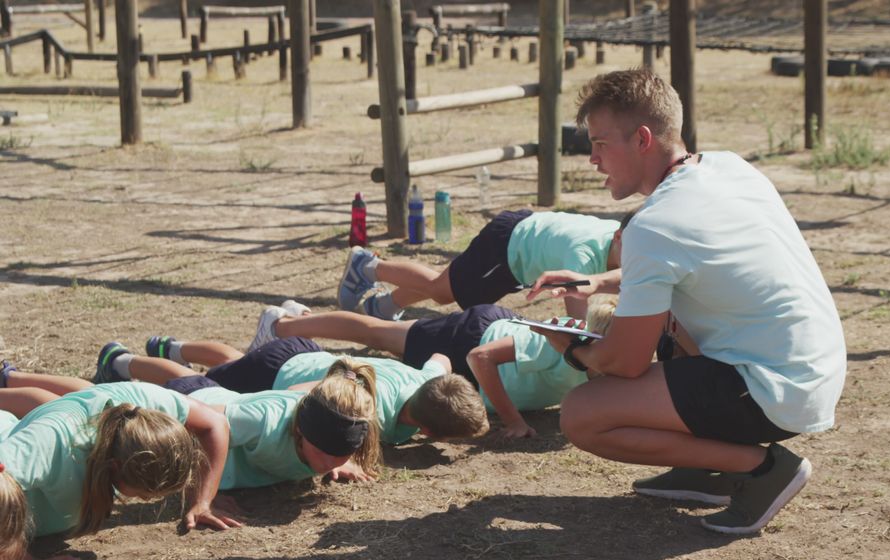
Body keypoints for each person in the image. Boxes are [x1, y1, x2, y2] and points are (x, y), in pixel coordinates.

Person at [526, 69, 847, 535]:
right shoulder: (727, 167)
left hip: (773, 390)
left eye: (599, 143)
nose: (593, 159)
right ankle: (704, 471)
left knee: (582, 414)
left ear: (641, 139)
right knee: (670, 319)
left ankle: (760, 469)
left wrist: (573, 348)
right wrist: (596, 282)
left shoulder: (654, 225)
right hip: (811, 368)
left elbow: (624, 362)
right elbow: (690, 264)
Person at [247, 298, 616, 438]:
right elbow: (481, 357)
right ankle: (282, 325)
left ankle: (300, 320)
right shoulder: (553, 343)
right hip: (471, 339)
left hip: (481, 361)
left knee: (386, 363)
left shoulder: (617, 360)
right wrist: (513, 419)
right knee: (381, 335)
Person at [0, 364, 237, 560]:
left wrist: (203, 501)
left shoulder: (145, 413)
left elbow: (214, 424)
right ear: (114, 467)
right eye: (145, 495)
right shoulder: (53, 444)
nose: (146, 501)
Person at [92, 341, 387, 484]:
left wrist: (336, 459)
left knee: (185, 374)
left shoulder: (335, 420)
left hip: (224, 395)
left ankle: (122, 360)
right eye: (324, 451)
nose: (328, 461)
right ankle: (119, 361)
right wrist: (205, 493)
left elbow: (305, 393)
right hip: (193, 402)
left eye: (342, 452)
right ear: (299, 429)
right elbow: (199, 430)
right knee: (172, 381)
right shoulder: (261, 420)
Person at [140, 334, 488, 446]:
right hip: (278, 371)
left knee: (227, 366)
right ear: (426, 431)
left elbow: (440, 358)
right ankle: (123, 361)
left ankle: (171, 346)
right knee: (191, 384)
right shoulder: (369, 410)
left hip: (304, 354)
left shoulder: (428, 384)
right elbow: (302, 393)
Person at [336, 210, 626, 321]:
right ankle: (368, 266)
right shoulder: (583, 256)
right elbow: (576, 323)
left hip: (519, 247)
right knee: (442, 290)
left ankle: (385, 307)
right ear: (618, 236)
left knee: (452, 287)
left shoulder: (621, 235)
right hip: (507, 248)